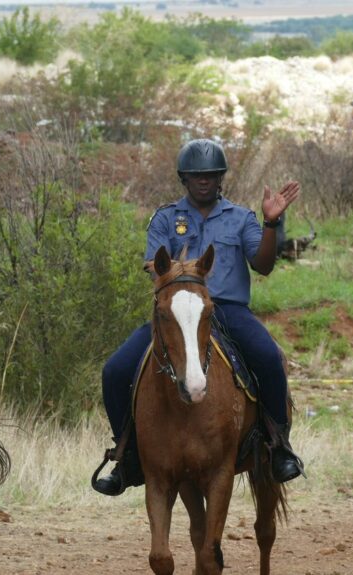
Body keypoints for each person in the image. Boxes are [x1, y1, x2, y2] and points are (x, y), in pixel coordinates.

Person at [93, 138, 304, 496]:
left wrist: (271, 223)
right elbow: (153, 265)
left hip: (228, 310)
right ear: (184, 179)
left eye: (210, 175)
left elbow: (263, 265)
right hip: (177, 313)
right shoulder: (164, 218)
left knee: (269, 358)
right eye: (196, 175)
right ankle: (125, 456)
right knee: (115, 370)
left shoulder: (240, 218)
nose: (203, 181)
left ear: (220, 178)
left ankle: (278, 446)